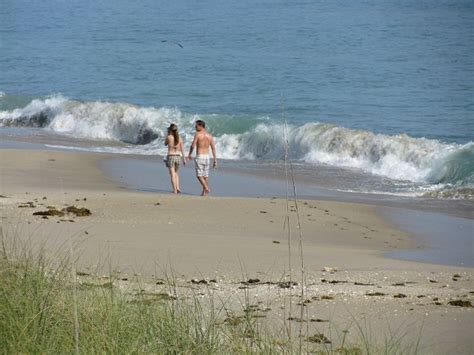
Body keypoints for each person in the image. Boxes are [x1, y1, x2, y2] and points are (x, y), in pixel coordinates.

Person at [187, 120, 217, 196]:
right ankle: (205, 193)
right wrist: (215, 160)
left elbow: (193, 145)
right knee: (205, 175)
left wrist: (189, 154)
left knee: (199, 175)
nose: (195, 127)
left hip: (200, 156)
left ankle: (206, 188)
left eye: (196, 125)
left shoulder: (197, 134)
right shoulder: (210, 136)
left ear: (201, 126)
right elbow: (213, 148)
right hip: (207, 157)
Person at [165, 123, 186, 194]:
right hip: (178, 156)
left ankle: (174, 190)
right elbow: (182, 149)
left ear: (170, 130)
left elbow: (165, 143)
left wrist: (168, 134)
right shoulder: (180, 138)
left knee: (172, 174)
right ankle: (178, 187)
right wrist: (184, 158)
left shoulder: (169, 137)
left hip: (171, 156)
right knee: (176, 173)